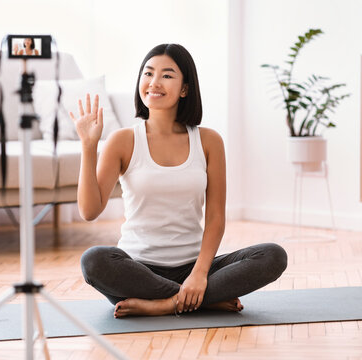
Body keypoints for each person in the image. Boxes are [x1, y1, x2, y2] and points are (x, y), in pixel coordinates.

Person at [71, 43, 287, 318]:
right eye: (148, 73)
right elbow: (89, 211)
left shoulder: (208, 141)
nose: (154, 82)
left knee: (273, 255)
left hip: (194, 266)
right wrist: (88, 147)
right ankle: (200, 301)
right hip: (137, 270)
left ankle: (163, 304)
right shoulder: (123, 141)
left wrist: (199, 274)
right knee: (94, 261)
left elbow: (216, 218)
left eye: (167, 75)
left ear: (185, 88)